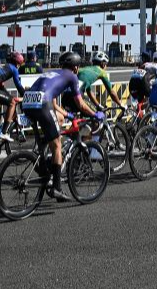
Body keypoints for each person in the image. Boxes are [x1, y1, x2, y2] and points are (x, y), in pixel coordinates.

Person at [21, 52, 103, 201]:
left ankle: (44, 168)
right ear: (75, 67)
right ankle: (57, 188)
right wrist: (95, 114)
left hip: (27, 102)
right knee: (57, 145)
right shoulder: (72, 76)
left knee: (52, 132)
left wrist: (67, 114)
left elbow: (53, 104)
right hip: (42, 103)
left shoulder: (53, 73)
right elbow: (81, 104)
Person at [128, 52, 157, 117]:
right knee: (153, 98)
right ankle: (150, 115)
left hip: (133, 82)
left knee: (140, 101)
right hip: (144, 82)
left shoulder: (144, 64)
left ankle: (139, 116)